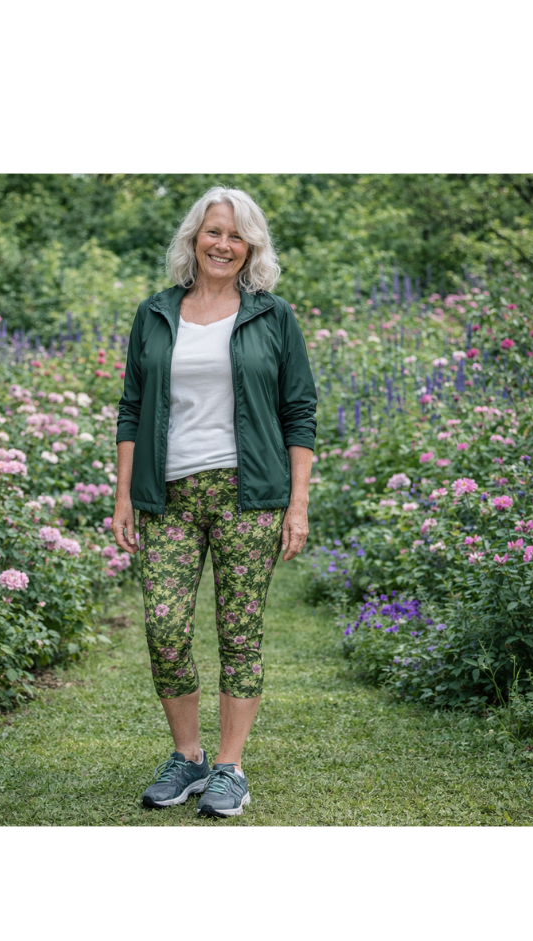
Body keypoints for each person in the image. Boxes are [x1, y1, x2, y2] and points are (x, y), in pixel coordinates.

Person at [113, 187, 316, 817]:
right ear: (194, 239)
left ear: (250, 247)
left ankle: (230, 768)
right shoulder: (155, 312)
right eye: (213, 232)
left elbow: (299, 411)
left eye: (236, 235)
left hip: (248, 494)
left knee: (240, 631)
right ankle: (189, 758)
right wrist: (123, 497)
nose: (223, 245)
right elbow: (131, 408)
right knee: (164, 627)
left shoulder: (273, 316)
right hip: (167, 495)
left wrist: (298, 503)